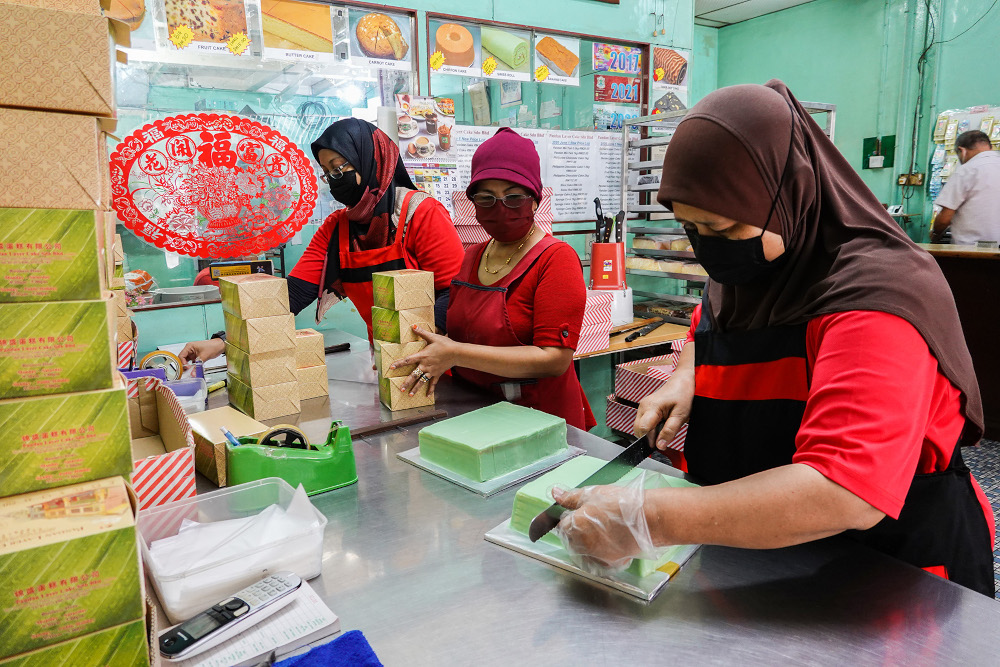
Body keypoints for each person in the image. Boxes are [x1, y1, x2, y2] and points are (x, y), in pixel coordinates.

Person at [550, 81, 996, 596]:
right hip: (757, 557)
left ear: (789, 196)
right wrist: (687, 375)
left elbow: (843, 489)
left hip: (882, 573)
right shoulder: (754, 264)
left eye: (719, 229)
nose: (706, 249)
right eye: (690, 229)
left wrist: (647, 517)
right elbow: (709, 325)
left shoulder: (879, 294)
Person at [179, 118, 464, 364]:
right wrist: (221, 342)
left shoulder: (420, 213)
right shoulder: (337, 228)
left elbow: (453, 294)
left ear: (370, 159)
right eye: (327, 173)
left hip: (440, 356)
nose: (333, 179)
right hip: (388, 357)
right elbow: (290, 296)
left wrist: (416, 348)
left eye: (339, 168)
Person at [388, 128, 596, 431]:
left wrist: (455, 353)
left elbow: (554, 359)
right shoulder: (472, 255)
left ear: (534, 200)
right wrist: (409, 351)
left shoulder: (555, 259)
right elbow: (457, 327)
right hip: (477, 410)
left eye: (513, 197)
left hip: (538, 421)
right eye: (486, 198)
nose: (500, 208)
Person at [931, 130, 1000, 244]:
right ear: (990, 146)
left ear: (962, 151)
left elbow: (945, 218)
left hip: (970, 249)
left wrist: (936, 234)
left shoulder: (966, 170)